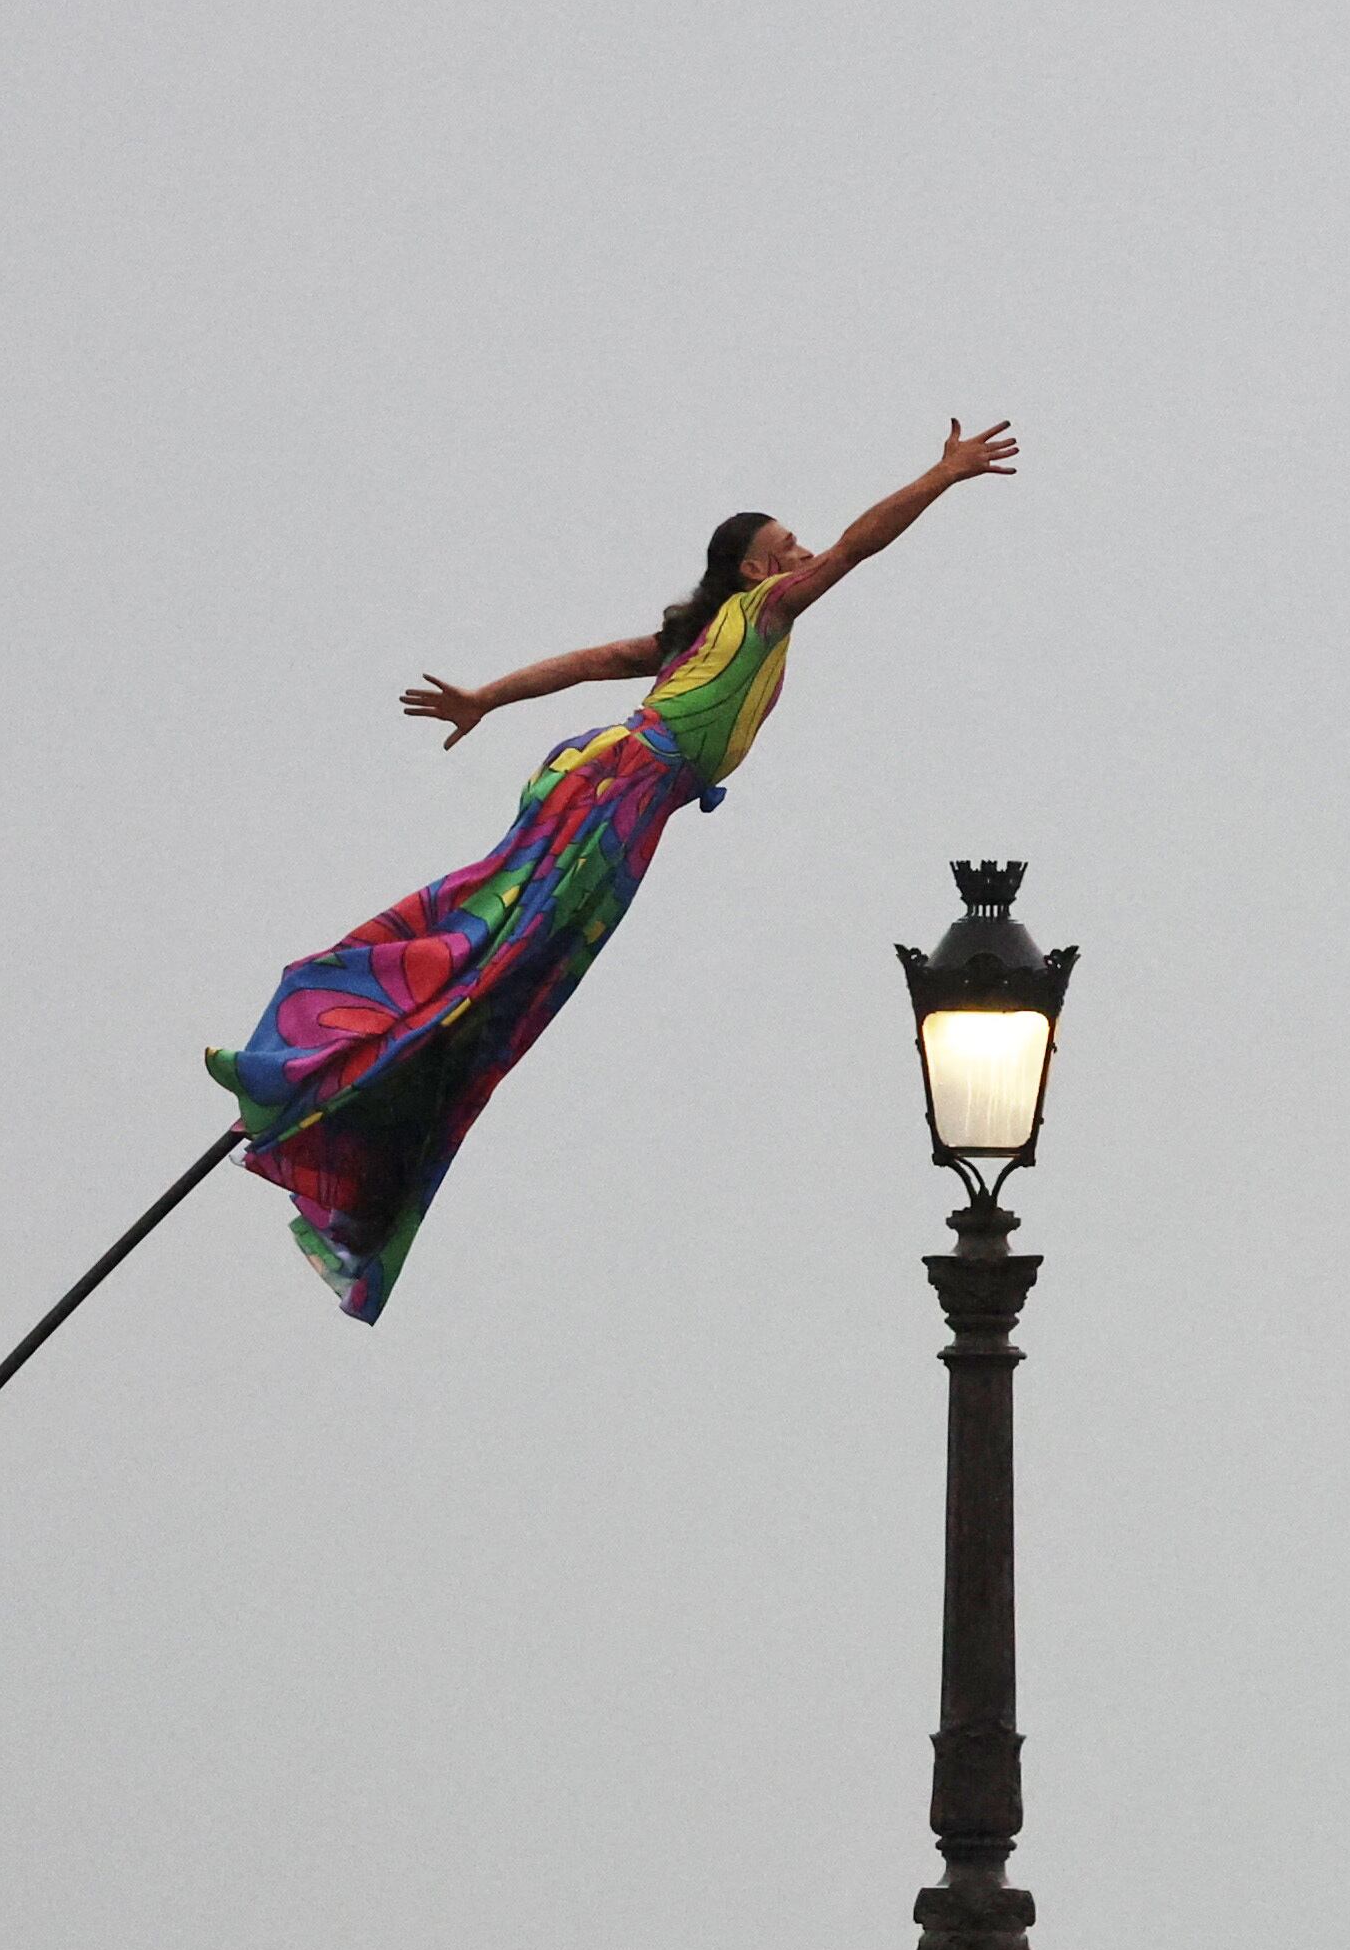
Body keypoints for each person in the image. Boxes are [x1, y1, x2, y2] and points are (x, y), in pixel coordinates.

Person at [207, 419, 1020, 1317]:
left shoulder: (706, 634)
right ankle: (316, 1037)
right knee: (489, 951)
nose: (809, 552)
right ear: (757, 570)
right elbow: (861, 547)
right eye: (791, 546)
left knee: (508, 973)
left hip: (623, 796)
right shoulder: (763, 611)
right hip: (616, 785)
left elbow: (588, 663)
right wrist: (942, 476)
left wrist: (488, 695)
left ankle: (358, 1088)